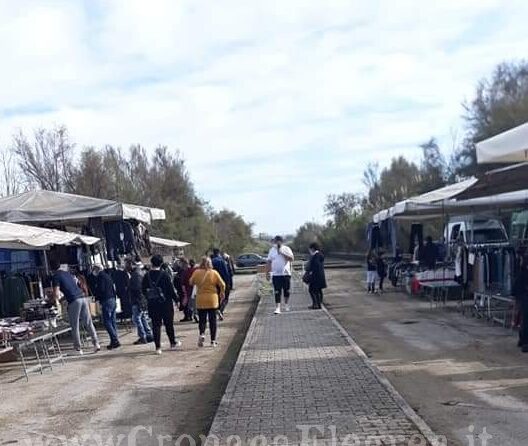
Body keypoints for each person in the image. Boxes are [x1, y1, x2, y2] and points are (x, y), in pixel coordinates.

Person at [50, 259, 100, 355]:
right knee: (88, 322)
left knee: (75, 325)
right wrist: (63, 298)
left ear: (51, 269)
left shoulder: (55, 276)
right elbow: (71, 288)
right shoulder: (67, 273)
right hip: (82, 298)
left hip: (74, 301)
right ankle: (96, 343)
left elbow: (56, 294)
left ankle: (78, 348)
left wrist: (53, 300)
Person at [142, 254, 181, 355]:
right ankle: (172, 342)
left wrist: (149, 297)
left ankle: (158, 347)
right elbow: (170, 289)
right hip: (166, 303)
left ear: (151, 263)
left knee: (156, 325)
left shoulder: (147, 275)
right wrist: (176, 300)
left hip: (153, 304)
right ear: (161, 263)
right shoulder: (164, 275)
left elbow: (143, 289)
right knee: (169, 324)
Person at [190, 257, 226, 347]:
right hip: (212, 299)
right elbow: (222, 284)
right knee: (212, 320)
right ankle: (213, 340)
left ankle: (202, 333)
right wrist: (222, 292)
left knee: (202, 320)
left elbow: (191, 282)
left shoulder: (196, 272)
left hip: (201, 299)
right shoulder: (214, 273)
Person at [92, 264, 120, 350]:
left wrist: (96, 296)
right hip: (112, 300)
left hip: (106, 300)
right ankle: (114, 341)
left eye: (94, 269)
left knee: (107, 322)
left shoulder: (101, 277)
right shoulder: (108, 276)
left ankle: (115, 339)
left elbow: (101, 289)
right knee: (112, 321)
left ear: (97, 269)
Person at [127, 258, 153, 345]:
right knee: (142, 318)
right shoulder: (139, 274)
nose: (126, 266)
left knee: (137, 318)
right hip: (140, 299)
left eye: (128, 264)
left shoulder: (135, 276)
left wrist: (139, 301)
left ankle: (143, 336)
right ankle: (148, 334)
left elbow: (137, 289)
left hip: (137, 300)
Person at [266, 236, 295, 314]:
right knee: (277, 291)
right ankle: (277, 308)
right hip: (276, 274)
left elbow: (291, 259)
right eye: (275, 242)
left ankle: (286, 304)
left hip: (286, 273)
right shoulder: (272, 250)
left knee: (286, 291)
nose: (276, 243)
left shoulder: (287, 249)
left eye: (278, 242)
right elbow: (268, 262)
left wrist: (281, 252)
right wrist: (267, 273)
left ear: (281, 242)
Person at [211, 248, 232, 318]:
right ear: (219, 253)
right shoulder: (222, 261)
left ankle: (217, 309)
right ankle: (221, 310)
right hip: (223, 281)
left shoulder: (211, 261)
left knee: (217, 297)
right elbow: (226, 272)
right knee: (225, 297)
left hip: (214, 283)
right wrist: (228, 283)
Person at [305, 242, 327, 309]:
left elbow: (316, 265)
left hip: (315, 276)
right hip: (319, 276)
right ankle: (318, 304)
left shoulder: (316, 256)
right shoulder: (319, 255)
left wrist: (310, 271)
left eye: (310, 249)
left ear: (312, 248)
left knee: (312, 290)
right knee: (318, 291)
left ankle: (316, 304)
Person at [514, 252, 528, 352]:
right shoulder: (523, 272)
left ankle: (523, 340)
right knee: (525, 319)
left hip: (522, 296)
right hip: (524, 296)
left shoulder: (522, 271)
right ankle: (525, 342)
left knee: (523, 318)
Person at [182, 258, 198, 322]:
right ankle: (195, 315)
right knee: (196, 304)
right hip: (197, 290)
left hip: (189, 290)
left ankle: (191, 315)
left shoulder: (186, 271)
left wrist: (184, 291)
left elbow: (183, 283)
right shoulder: (197, 270)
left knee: (190, 304)